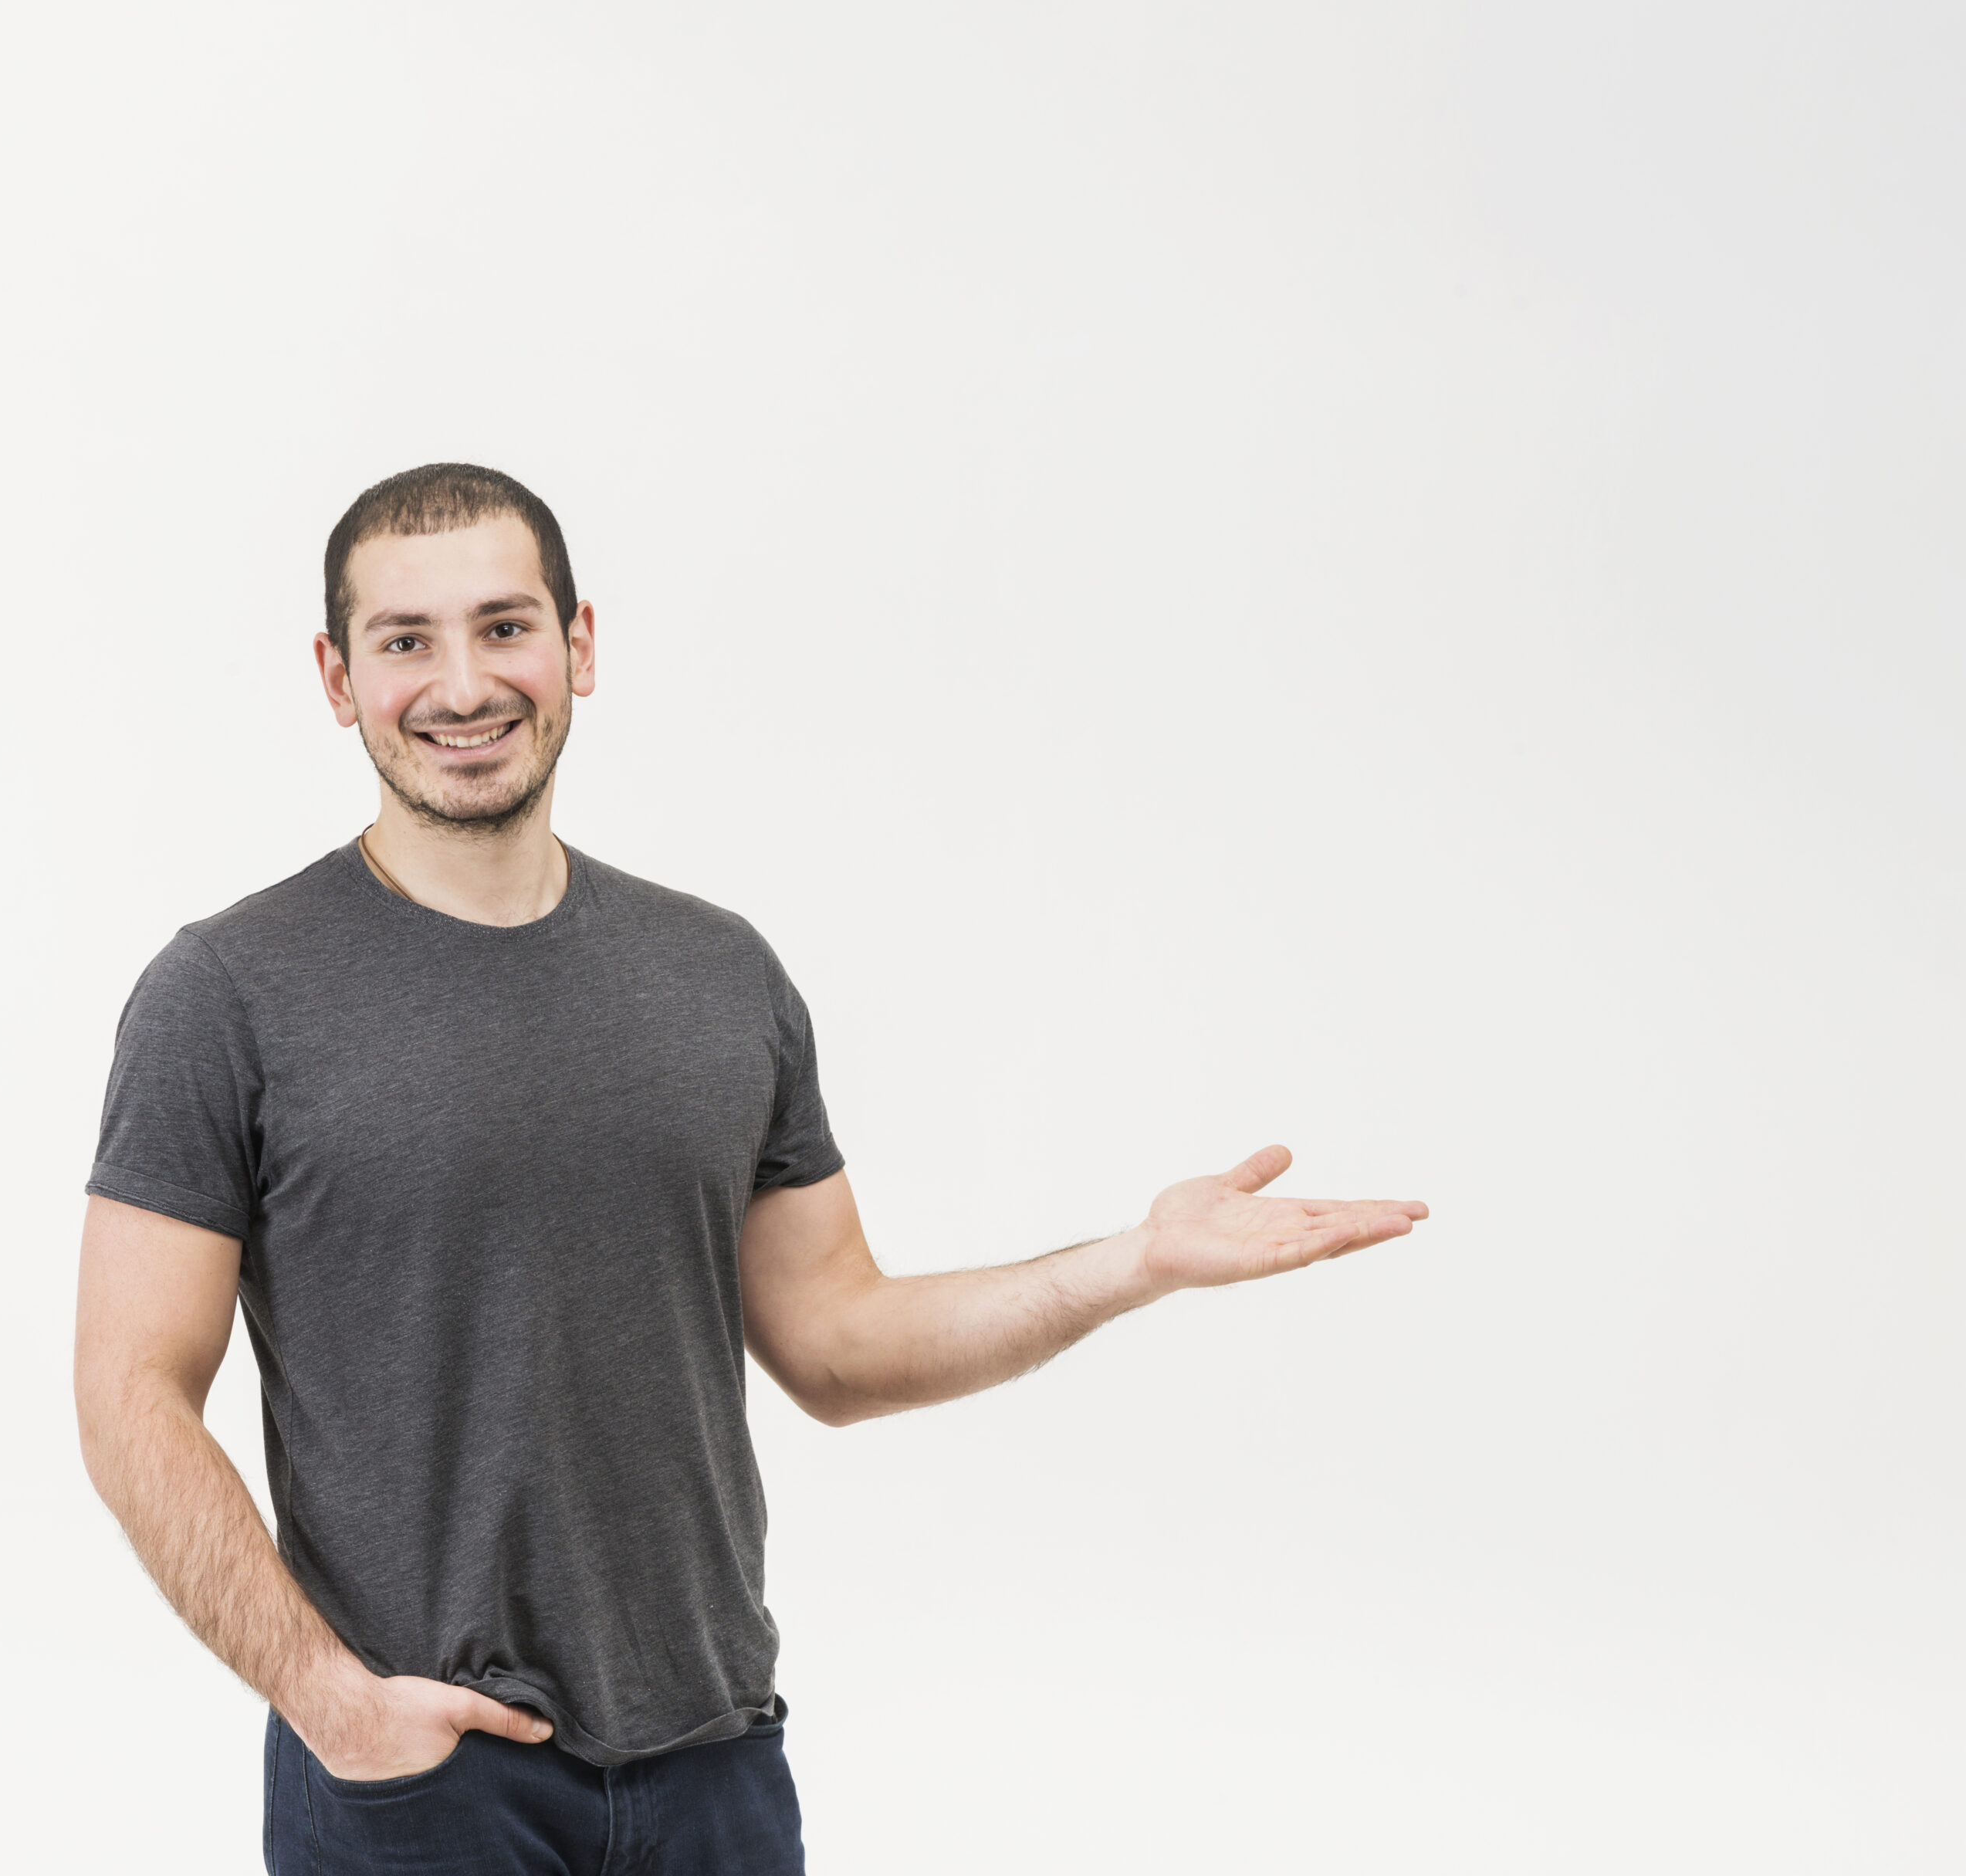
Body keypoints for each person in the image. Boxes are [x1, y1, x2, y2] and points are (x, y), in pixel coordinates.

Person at [73, 462, 1427, 1875]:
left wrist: (1131, 1262)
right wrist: (328, 1703)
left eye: (505, 626)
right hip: (421, 1782)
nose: (463, 683)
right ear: (338, 678)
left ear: (579, 645)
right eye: (405, 641)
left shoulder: (719, 974)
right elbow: (128, 1393)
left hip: (717, 1768)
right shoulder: (227, 993)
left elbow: (838, 1346)